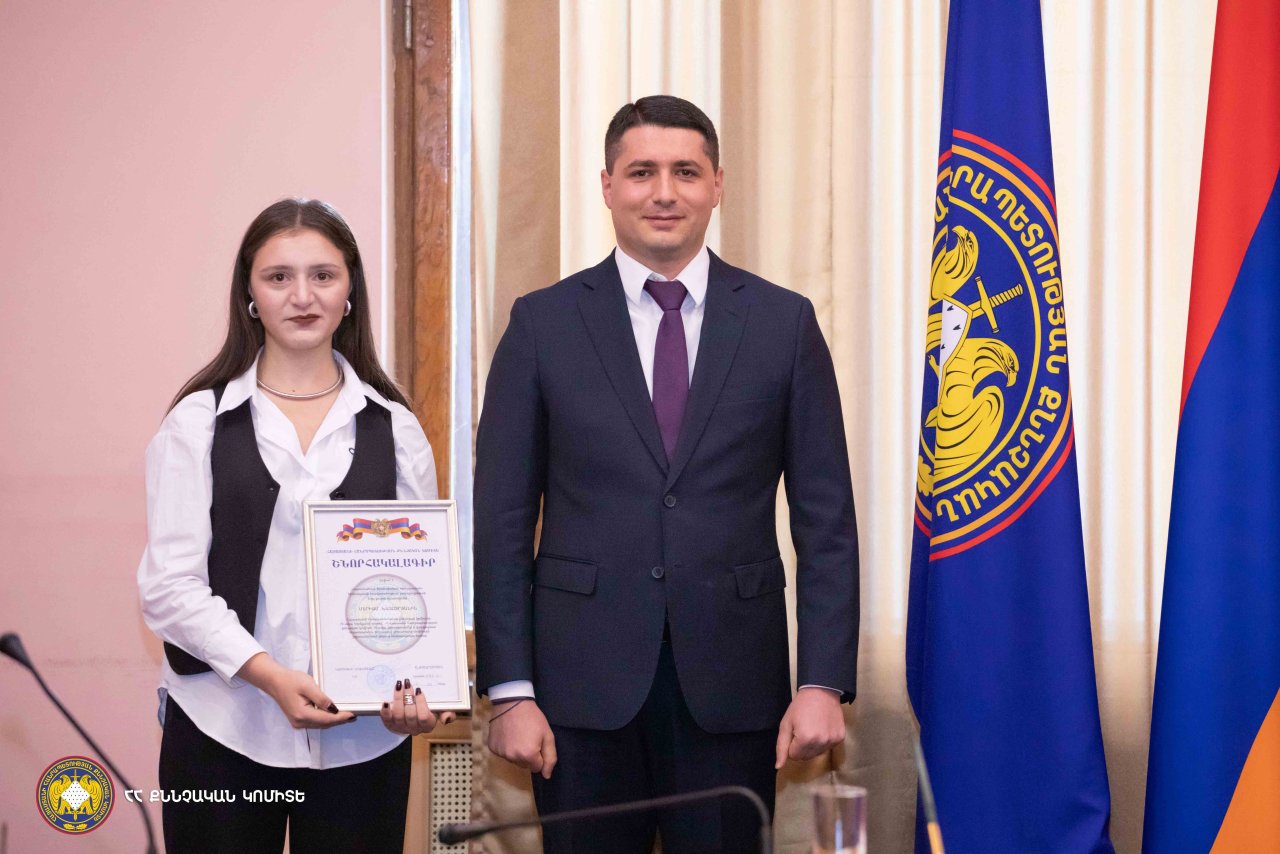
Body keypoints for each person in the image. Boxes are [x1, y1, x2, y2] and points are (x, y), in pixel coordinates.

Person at [474, 96, 860, 853]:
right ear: (607, 186)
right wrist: (511, 691)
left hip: (733, 690)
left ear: (717, 185)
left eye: (685, 171)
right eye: (641, 171)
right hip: (578, 698)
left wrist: (820, 682)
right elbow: (502, 521)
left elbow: (827, 522)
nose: (663, 192)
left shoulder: (783, 324)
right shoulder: (542, 324)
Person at [137, 198, 452, 853]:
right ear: (249, 295)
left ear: (350, 291)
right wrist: (267, 674)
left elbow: (413, 586)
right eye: (278, 277)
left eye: (323, 275)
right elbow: (169, 588)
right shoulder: (198, 423)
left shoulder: (396, 428)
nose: (302, 296)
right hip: (223, 727)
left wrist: (416, 688)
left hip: (364, 743)